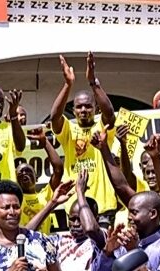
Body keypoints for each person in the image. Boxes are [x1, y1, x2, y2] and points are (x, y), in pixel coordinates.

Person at [49, 53, 118, 222]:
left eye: (88, 106)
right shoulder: (68, 130)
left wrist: (93, 82)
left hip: (103, 206)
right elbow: (55, 117)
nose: (84, 110)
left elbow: (109, 113)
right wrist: (68, 84)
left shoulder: (102, 128)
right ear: (73, 111)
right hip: (75, 205)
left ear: (95, 109)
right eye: (79, 107)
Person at [17, 127, 63, 234]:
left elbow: (58, 169)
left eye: (28, 171)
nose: (24, 174)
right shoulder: (15, 199)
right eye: (20, 173)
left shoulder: (46, 195)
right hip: (23, 246)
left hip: (43, 244)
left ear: (36, 177)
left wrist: (45, 142)